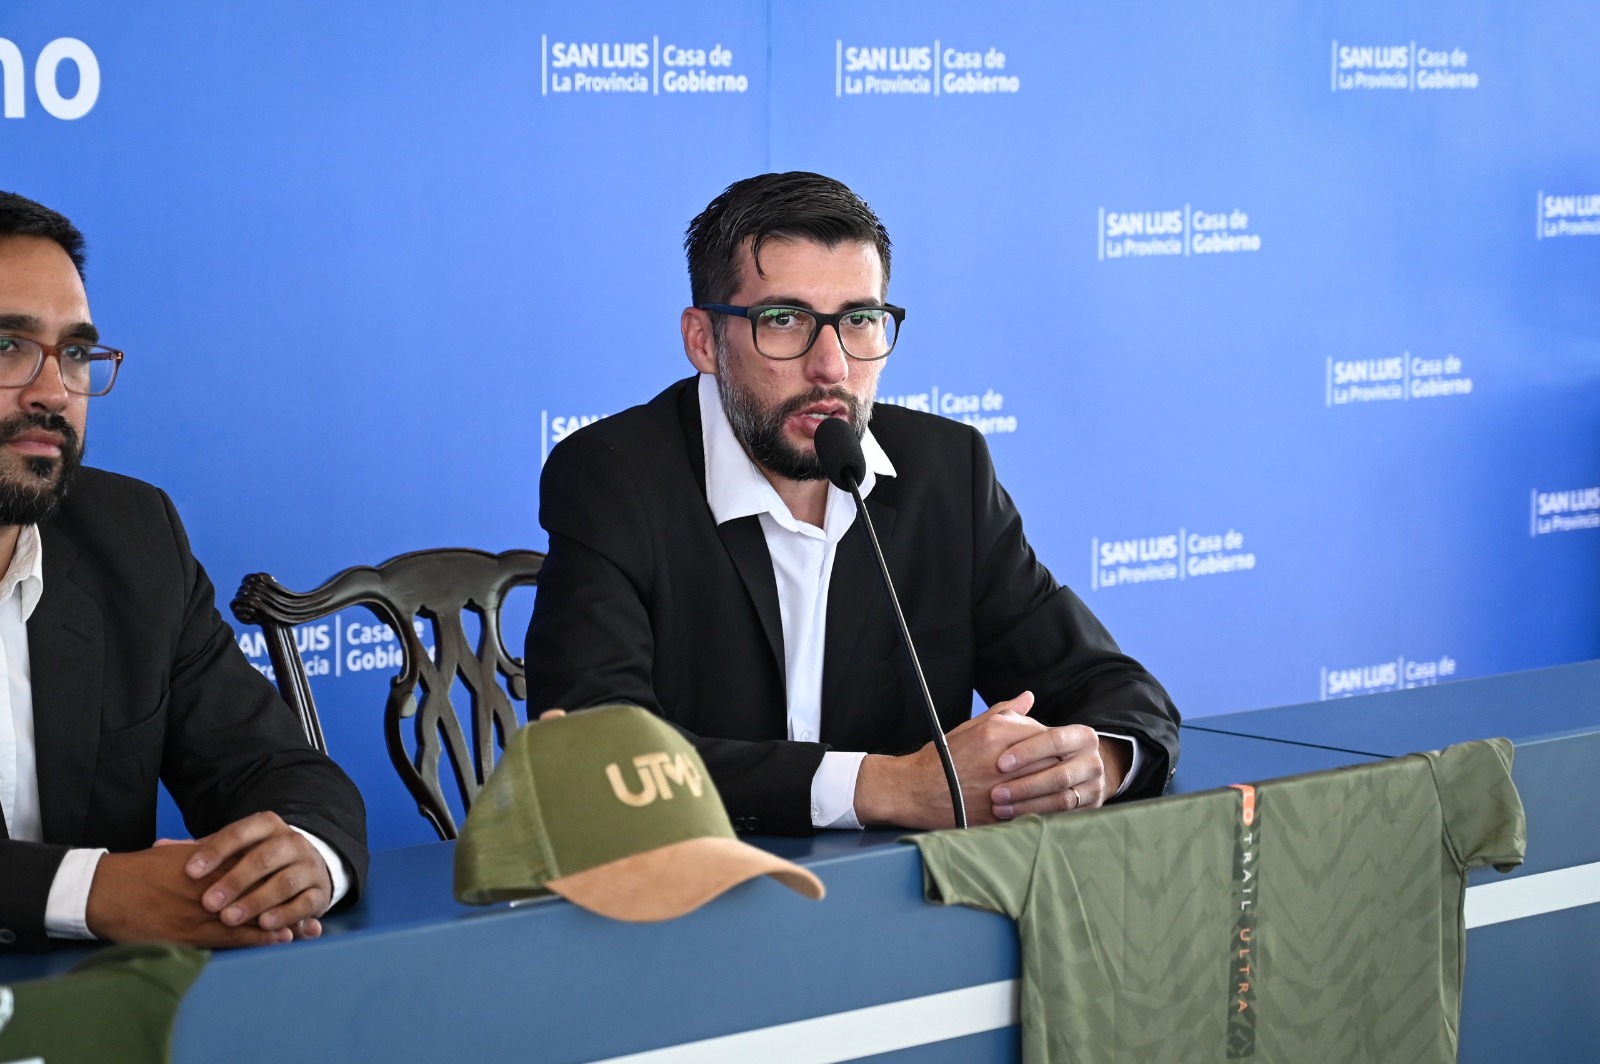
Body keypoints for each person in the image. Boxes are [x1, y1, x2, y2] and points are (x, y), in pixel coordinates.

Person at [526, 171, 1179, 836]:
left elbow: (1119, 694)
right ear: (703, 341)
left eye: (859, 320)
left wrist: (1095, 762)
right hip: (691, 882)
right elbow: (594, 751)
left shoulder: (945, 472)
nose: (832, 367)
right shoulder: (613, 479)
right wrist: (888, 788)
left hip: (903, 889)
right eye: (784, 320)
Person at [0, 192, 367, 951]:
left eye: (75, 353)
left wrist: (299, 859)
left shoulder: (132, 536)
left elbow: (276, 769)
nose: (54, 392)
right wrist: (92, 891)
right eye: (7, 345)